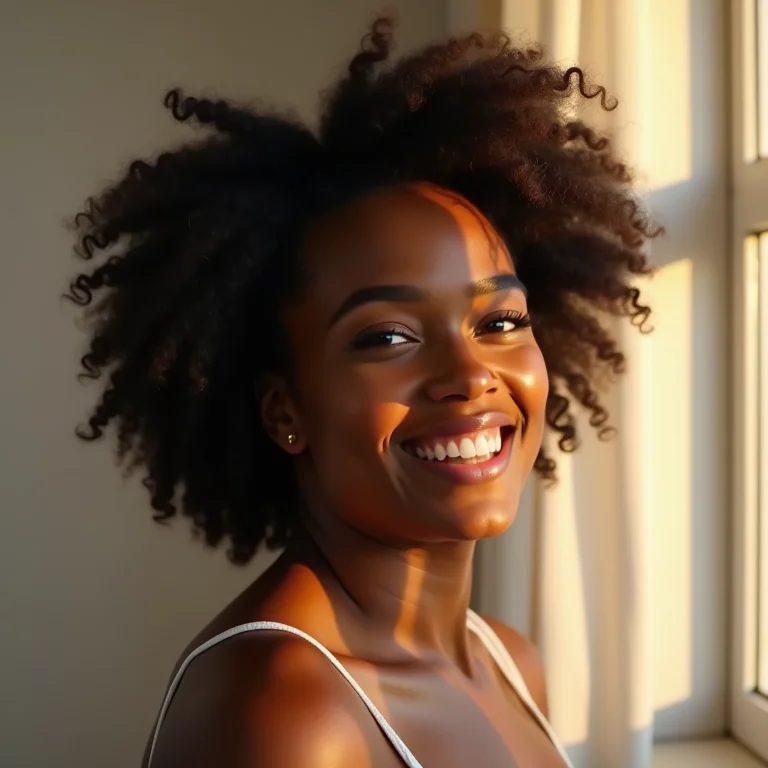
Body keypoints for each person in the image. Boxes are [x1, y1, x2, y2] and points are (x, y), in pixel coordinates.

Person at [67, 17, 658, 768]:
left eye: (500, 322)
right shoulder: (286, 715)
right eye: (388, 337)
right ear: (285, 409)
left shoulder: (508, 661)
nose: (471, 374)